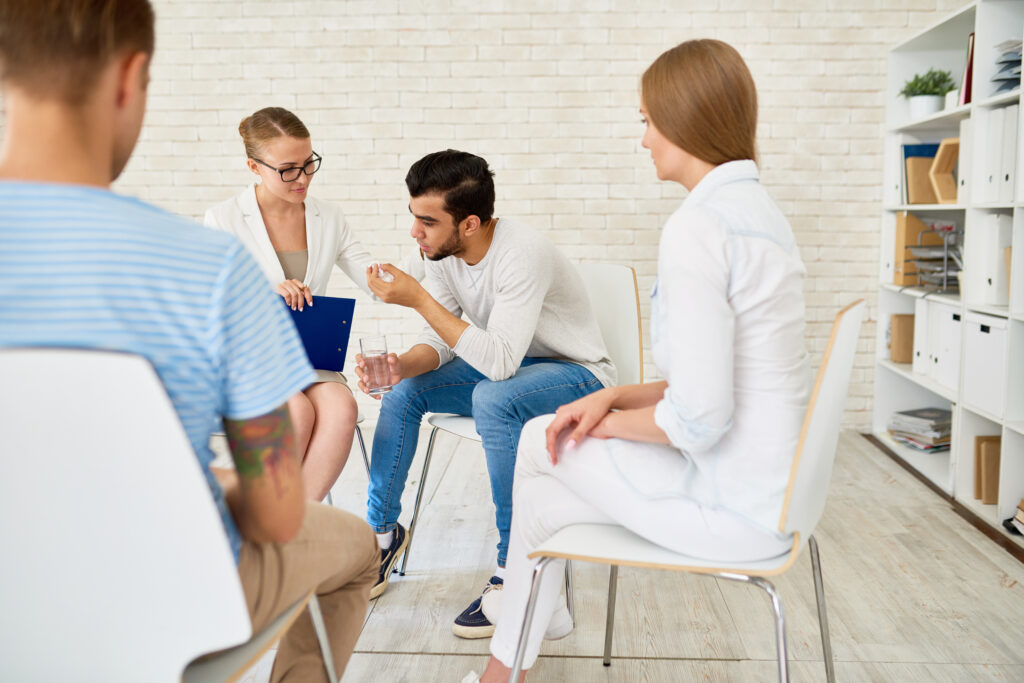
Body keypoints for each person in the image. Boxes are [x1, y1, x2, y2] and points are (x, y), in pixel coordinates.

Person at [0, 2, 377, 680]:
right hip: (165, 597)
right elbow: (274, 513)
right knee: (354, 550)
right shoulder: (211, 268)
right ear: (130, 77)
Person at [465, 39, 811, 682]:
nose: (643, 138)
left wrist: (593, 424)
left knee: (541, 439)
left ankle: (504, 665)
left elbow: (698, 418)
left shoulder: (697, 227)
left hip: (732, 507)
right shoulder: (759, 214)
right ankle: (532, 634)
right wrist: (616, 397)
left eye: (648, 121)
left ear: (683, 120)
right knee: (542, 493)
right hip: (777, 492)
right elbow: (724, 376)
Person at [354, 149, 617, 639]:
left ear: (470, 223)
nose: (415, 233)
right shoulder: (443, 254)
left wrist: (418, 298)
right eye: (414, 217)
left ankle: (514, 569)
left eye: (427, 222)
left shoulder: (522, 253)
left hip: (577, 374)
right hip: (511, 368)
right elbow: (445, 341)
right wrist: (400, 366)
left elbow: (497, 363)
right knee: (405, 391)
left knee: (493, 399)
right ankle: (381, 536)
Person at [204, 107, 424, 502]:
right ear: (254, 167)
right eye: (287, 169)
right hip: (248, 360)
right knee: (297, 412)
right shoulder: (223, 218)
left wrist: (430, 250)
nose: (302, 178)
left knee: (340, 408)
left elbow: (373, 280)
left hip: (306, 359)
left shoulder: (328, 216)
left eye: (309, 164)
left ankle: (297, 530)